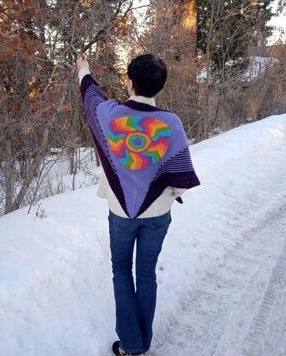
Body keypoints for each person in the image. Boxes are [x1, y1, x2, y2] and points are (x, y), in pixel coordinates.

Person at [76, 54, 200, 356]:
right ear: (159, 85)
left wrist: (84, 70)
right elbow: (181, 177)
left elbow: (91, 98)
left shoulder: (111, 114)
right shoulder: (170, 123)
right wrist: (166, 194)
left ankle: (131, 345)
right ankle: (142, 342)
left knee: (121, 269)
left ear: (129, 82)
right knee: (146, 274)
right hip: (158, 216)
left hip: (120, 214)